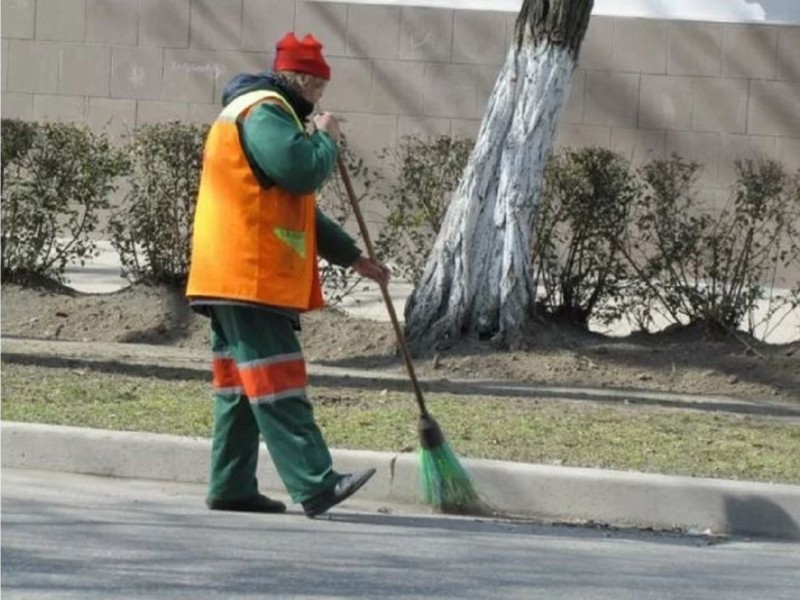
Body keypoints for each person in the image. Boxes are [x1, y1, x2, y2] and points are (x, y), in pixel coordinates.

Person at [186, 32, 390, 518]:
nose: (319, 99)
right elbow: (301, 173)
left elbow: (296, 207)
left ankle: (231, 486)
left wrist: (352, 257)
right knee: (277, 381)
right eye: (317, 88)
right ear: (302, 80)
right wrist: (325, 138)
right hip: (249, 274)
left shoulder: (258, 112)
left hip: (232, 272)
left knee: (241, 389)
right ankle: (317, 485)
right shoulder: (266, 111)